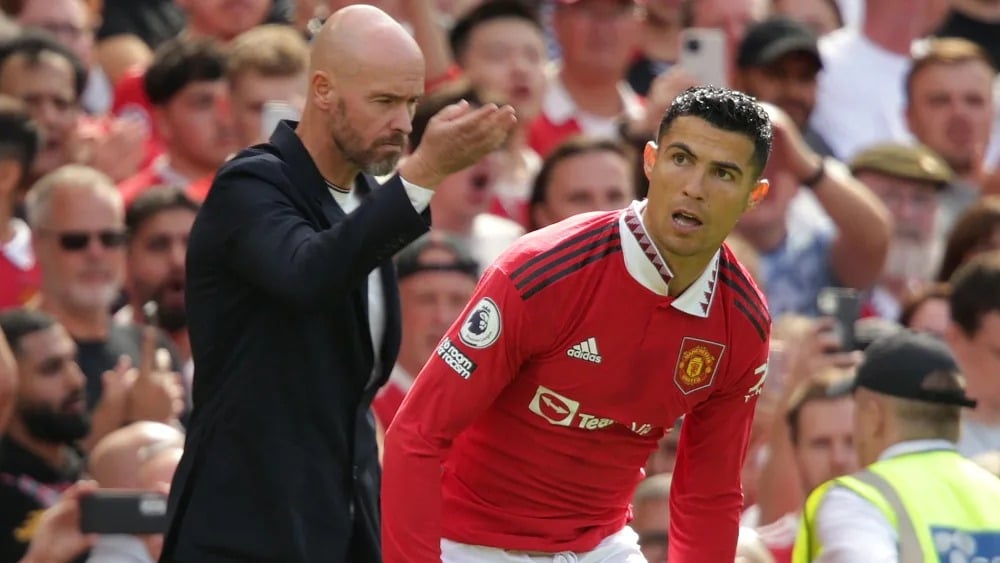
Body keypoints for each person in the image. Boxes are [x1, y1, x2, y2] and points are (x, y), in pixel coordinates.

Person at [160, 4, 516, 563]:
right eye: (384, 101)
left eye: (411, 103)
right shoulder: (251, 185)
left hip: (341, 526)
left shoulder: (369, 201)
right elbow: (308, 273)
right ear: (323, 90)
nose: (403, 123)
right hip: (243, 529)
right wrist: (423, 174)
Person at [383, 86, 774, 562]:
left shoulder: (743, 323)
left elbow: (709, 495)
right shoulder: (539, 271)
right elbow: (417, 435)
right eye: (681, 159)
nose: (695, 187)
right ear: (650, 162)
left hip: (601, 546)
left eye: (723, 173)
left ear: (754, 196)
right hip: (469, 544)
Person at [792, 331, 1000, 562]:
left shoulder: (859, 500)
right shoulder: (994, 492)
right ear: (958, 420)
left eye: (857, 410)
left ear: (874, 417)